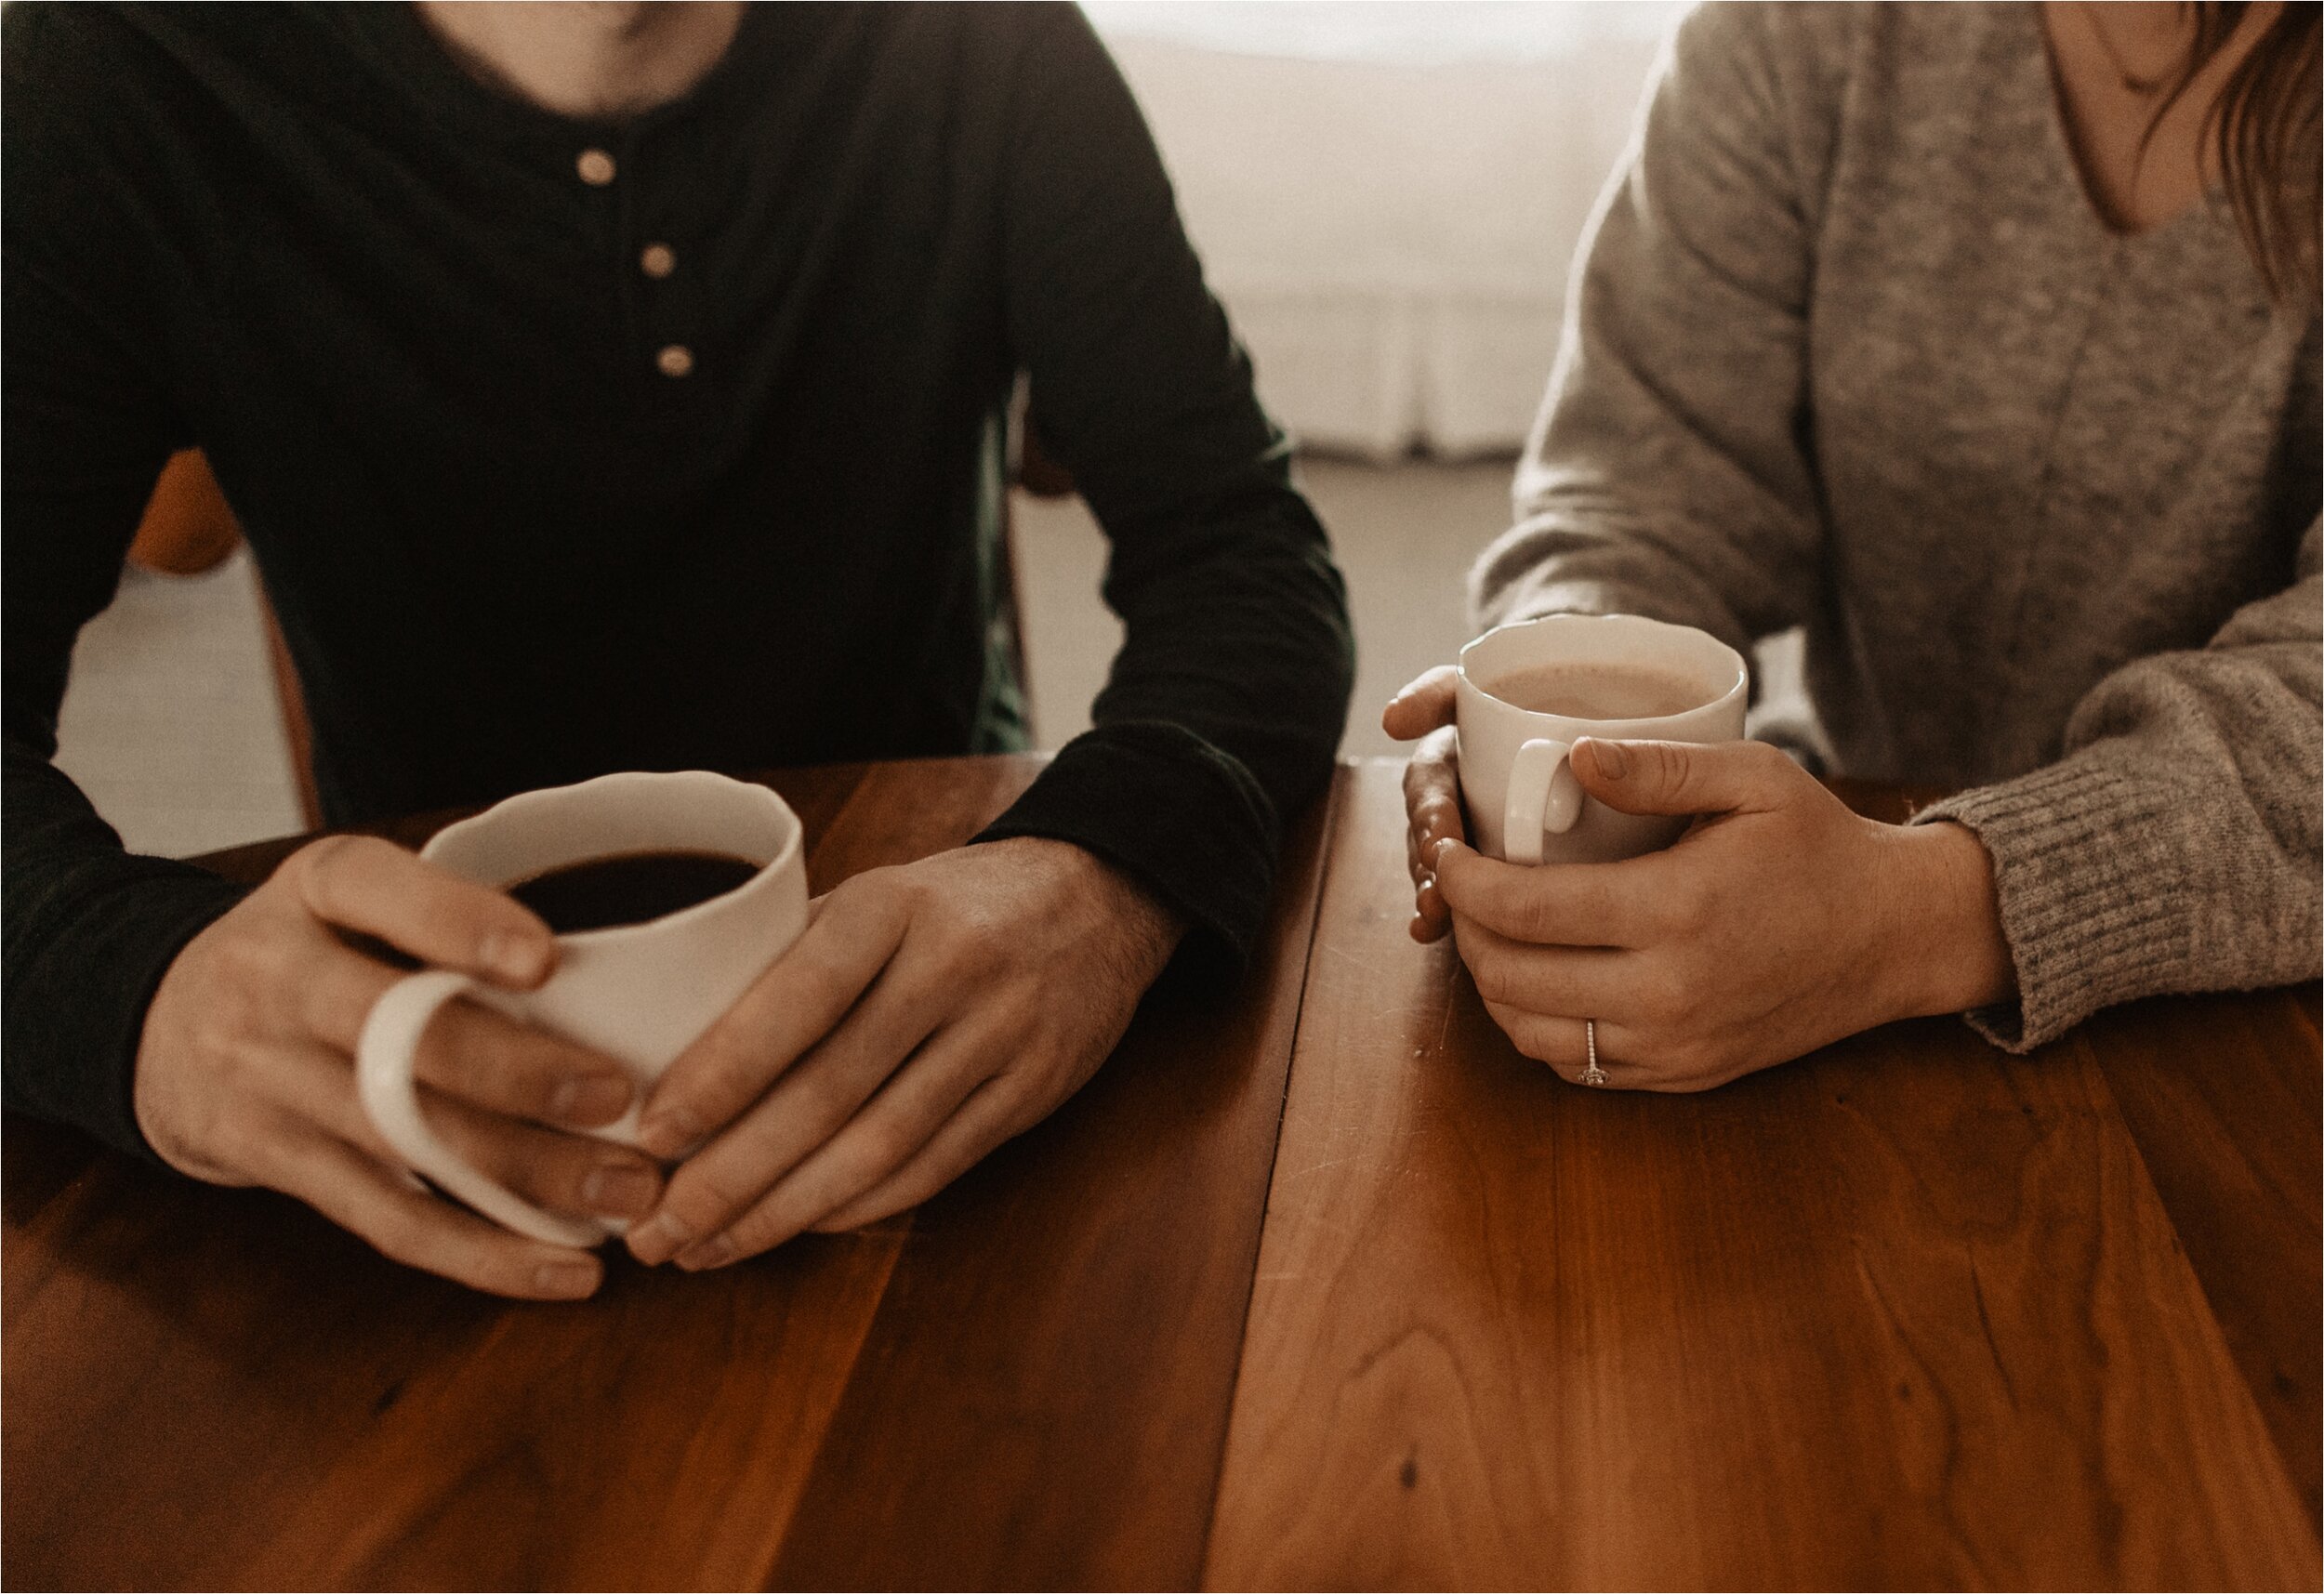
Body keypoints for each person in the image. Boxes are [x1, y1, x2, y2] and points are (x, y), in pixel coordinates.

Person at [3, 3, 1353, 1297]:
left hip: (945, 997)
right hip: (459, 1088)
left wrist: (1095, 877)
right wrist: (144, 993)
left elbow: (1242, 550)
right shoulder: (117, 67)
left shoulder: (980, 31)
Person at [1387, 1, 2318, 1089]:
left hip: (2247, 1031)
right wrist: (1555, 731)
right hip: (1794, 990)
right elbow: (1642, 487)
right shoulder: (1804, 29)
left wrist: (1914, 909)